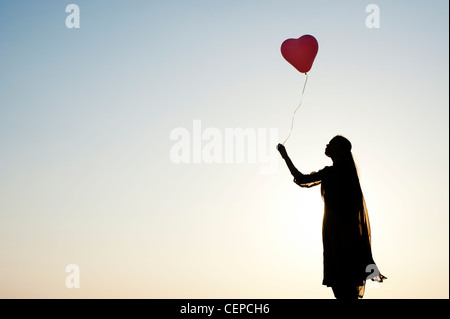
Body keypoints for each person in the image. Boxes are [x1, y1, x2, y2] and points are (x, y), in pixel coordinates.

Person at [277, 136, 386, 299]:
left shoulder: (342, 174)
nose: (327, 145)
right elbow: (302, 179)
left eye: (332, 143)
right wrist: (285, 156)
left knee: (344, 285)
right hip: (333, 233)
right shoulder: (331, 172)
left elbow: (303, 180)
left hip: (344, 236)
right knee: (341, 286)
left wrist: (285, 156)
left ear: (341, 150)